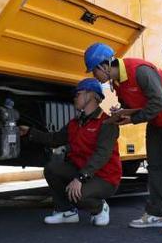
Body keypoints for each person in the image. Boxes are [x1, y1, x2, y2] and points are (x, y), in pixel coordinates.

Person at [84, 42, 162, 237]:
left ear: (104, 66)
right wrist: (121, 111)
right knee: (155, 166)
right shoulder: (117, 83)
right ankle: (156, 214)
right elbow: (134, 103)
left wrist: (133, 118)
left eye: (94, 71)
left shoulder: (140, 71)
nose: (94, 76)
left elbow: (159, 102)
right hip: (157, 121)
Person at [19, 78, 121, 226]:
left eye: (78, 94)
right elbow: (54, 139)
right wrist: (30, 132)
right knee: (52, 169)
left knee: (78, 195)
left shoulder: (107, 123)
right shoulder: (75, 123)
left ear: (91, 95)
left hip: (105, 178)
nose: (74, 97)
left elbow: (102, 155)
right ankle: (66, 212)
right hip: (81, 170)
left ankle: (100, 208)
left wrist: (80, 178)